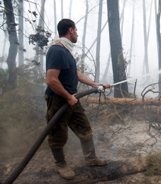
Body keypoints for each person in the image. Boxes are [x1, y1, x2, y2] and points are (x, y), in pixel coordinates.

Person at [45, 19, 110, 180]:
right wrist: (68, 97)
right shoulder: (57, 50)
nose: (77, 33)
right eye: (76, 30)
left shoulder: (66, 52)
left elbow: (76, 74)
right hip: (58, 100)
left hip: (72, 98)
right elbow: (51, 80)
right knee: (57, 134)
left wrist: (96, 84)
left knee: (85, 129)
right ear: (71, 31)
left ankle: (91, 159)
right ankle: (61, 164)